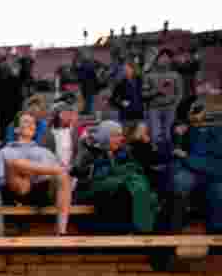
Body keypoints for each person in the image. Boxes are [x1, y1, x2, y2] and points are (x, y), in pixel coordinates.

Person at [73, 120, 159, 234]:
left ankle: (143, 232)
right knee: (123, 190)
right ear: (105, 137)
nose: (120, 139)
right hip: (91, 192)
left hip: (116, 192)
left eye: (120, 135)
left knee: (139, 188)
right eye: (115, 136)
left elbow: (135, 168)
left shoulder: (124, 151)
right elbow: (79, 173)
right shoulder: (89, 151)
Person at [0, 111, 73, 235]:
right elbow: (1, 180)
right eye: (26, 122)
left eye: (33, 123)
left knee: (63, 176)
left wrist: (32, 172)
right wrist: (26, 172)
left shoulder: (45, 152)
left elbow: (59, 178)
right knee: (13, 163)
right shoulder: (4, 151)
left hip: (41, 192)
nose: (31, 125)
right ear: (16, 129)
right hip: (17, 191)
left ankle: (61, 231)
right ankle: (51, 170)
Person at [169, 99, 222, 234]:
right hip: (191, 169)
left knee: (218, 190)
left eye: (201, 111)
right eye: (193, 111)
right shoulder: (185, 128)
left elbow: (214, 160)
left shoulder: (216, 130)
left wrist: (187, 157)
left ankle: (216, 232)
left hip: (212, 171)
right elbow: (175, 149)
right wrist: (178, 134)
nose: (197, 115)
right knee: (180, 181)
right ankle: (174, 231)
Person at [143, 49, 184, 148]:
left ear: (170, 60)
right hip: (154, 109)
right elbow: (144, 94)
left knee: (168, 133)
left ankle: (169, 154)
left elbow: (180, 93)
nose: (164, 60)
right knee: (155, 134)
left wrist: (174, 105)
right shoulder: (149, 75)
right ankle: (157, 155)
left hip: (170, 108)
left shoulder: (175, 75)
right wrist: (156, 92)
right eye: (162, 57)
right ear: (157, 59)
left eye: (167, 58)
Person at [41, 95, 82, 173]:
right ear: (59, 115)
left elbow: (77, 152)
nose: (69, 116)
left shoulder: (73, 132)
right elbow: (46, 155)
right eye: (66, 113)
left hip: (70, 171)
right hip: (54, 171)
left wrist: (72, 166)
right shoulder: (49, 133)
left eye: (70, 113)